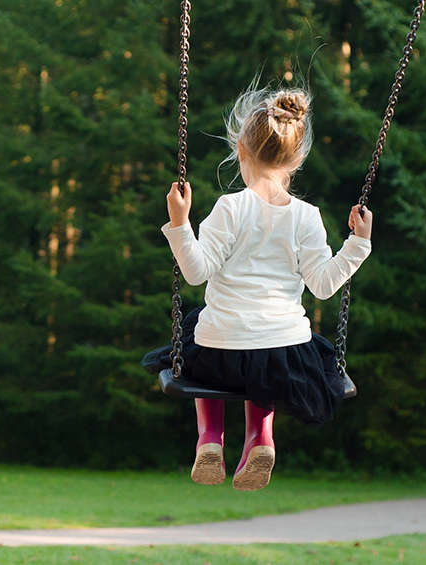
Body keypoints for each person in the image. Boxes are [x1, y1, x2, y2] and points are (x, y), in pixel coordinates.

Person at [142, 85, 373, 491]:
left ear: (240, 151)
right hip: (283, 354)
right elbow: (323, 285)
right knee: (265, 360)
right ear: (298, 158)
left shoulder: (230, 208)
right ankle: (260, 439)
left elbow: (195, 272)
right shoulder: (307, 216)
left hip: (220, 351)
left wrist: (180, 223)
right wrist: (358, 244)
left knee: (199, 332)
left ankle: (210, 438)